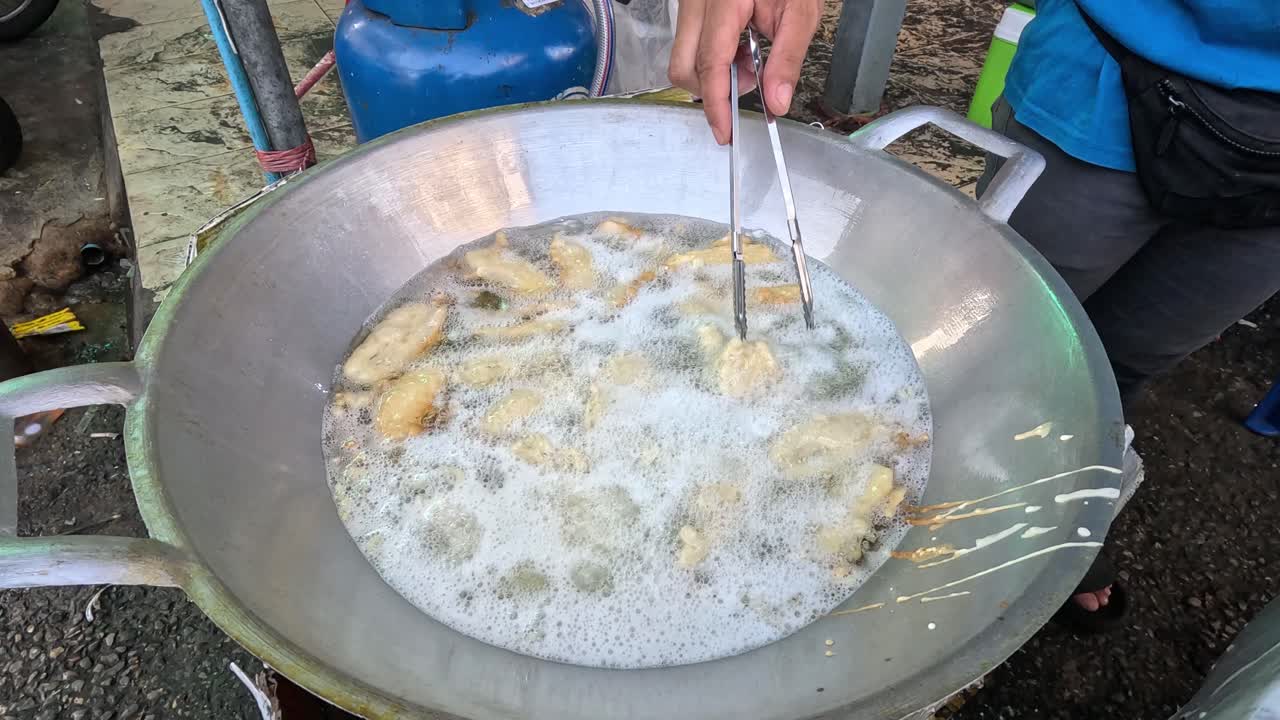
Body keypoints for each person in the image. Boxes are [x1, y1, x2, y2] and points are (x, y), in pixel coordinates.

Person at [668, 0, 1280, 629]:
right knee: (1001, 345)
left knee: (1122, 363)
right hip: (1111, 75)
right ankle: (948, 502)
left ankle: (1056, 516)